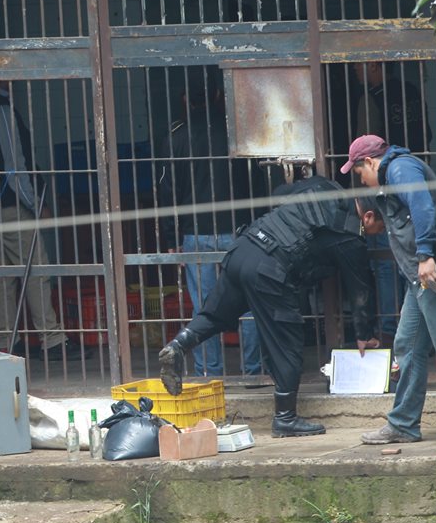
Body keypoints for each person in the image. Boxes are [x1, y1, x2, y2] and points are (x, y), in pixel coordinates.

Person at [158, 175, 382, 437]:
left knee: (215, 314)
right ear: (367, 217)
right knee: (287, 343)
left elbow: (279, 191)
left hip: (243, 248)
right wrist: (364, 334)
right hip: (269, 268)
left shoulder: (324, 186)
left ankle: (178, 346)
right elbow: (360, 288)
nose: (382, 232)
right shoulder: (350, 236)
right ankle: (285, 418)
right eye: (382, 226)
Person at [156, 67, 261, 378]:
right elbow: (256, 184)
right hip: (241, 232)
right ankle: (253, 371)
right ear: (219, 96)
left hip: (195, 233)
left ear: (185, 100)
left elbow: (167, 193)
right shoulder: (237, 134)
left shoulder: (176, 137)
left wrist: (171, 237)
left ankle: (209, 374)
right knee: (250, 304)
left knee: (205, 309)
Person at [343, 134, 436, 445]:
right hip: (419, 281)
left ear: (370, 162)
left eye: (360, 172)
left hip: (434, 271)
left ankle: (402, 423)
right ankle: (402, 424)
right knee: (408, 346)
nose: (362, 179)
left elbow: (423, 209)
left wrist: (426, 255)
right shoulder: (390, 180)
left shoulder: (401, 170)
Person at [0, 82, 76, 358]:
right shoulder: (0, 108)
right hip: (12, 207)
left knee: (0, 277)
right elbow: (15, 166)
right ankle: (52, 339)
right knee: (36, 269)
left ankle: (6, 342)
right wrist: (36, 204)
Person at [351, 62, 431, 344]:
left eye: (357, 68)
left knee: (386, 264)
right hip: (411, 190)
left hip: (386, 195)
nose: (352, 73)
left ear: (373, 65)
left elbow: (365, 142)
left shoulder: (368, 98)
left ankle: (387, 327)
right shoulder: (411, 91)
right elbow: (428, 133)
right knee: (406, 267)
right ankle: (410, 335)